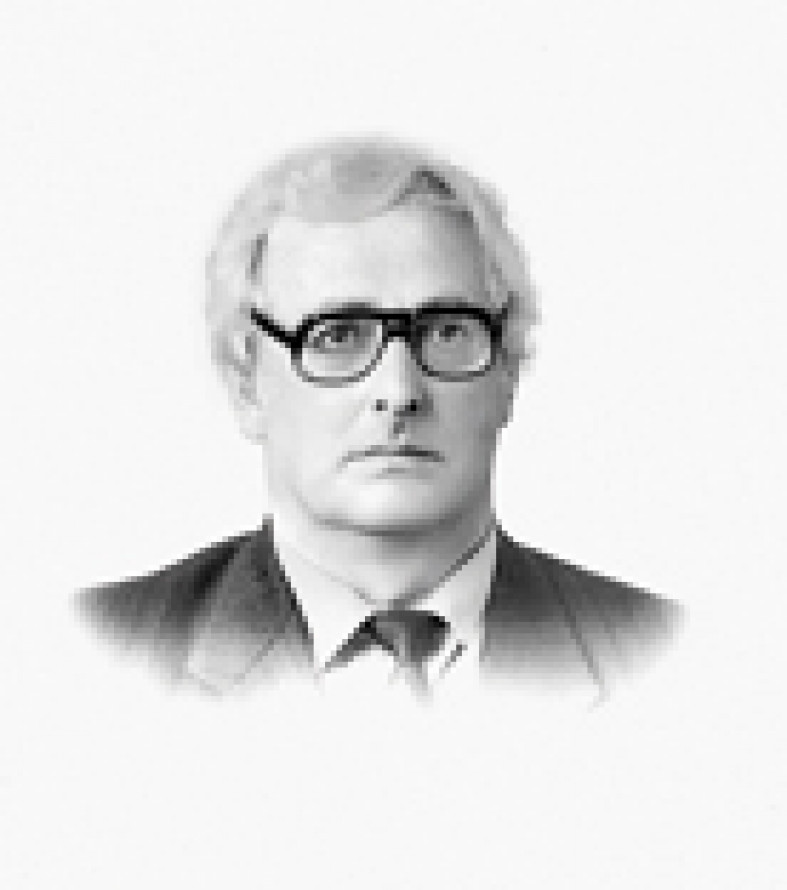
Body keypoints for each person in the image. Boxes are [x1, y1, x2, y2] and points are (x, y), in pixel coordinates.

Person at [78, 136, 682, 702]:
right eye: (337, 335)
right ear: (245, 383)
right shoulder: (97, 655)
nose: (398, 392)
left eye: (447, 331)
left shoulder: (667, 655)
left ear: (509, 370)